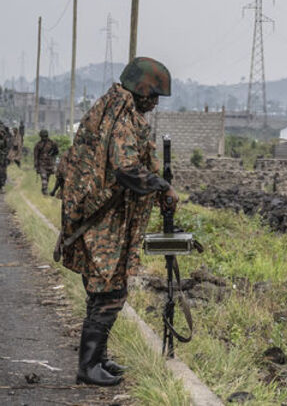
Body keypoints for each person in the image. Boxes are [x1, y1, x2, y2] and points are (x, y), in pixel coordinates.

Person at [57, 57, 178, 387]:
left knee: (100, 290)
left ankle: (98, 358)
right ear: (140, 90)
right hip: (103, 221)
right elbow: (125, 169)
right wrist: (161, 186)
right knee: (110, 292)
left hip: (101, 218)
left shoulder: (115, 108)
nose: (154, 103)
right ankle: (88, 366)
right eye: (153, 96)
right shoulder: (122, 117)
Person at [33, 129, 59, 195]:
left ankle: (44, 189)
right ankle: (45, 190)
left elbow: (56, 151)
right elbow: (36, 156)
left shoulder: (52, 143)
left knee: (47, 177)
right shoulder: (38, 145)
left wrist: (52, 154)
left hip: (50, 163)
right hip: (42, 164)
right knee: (44, 177)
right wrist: (36, 166)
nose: (44, 137)